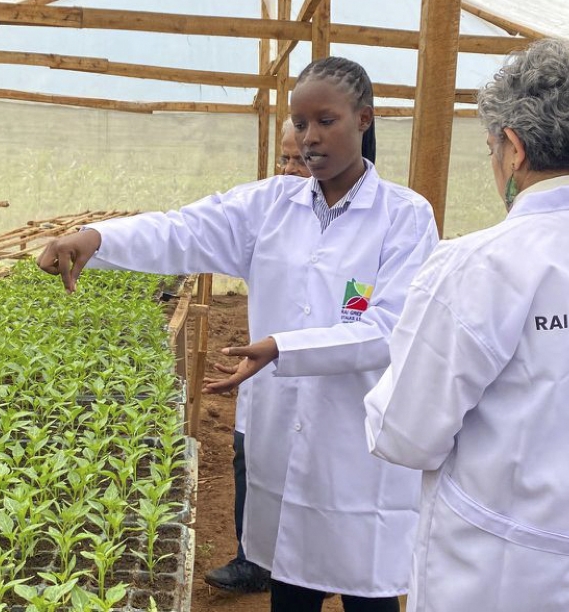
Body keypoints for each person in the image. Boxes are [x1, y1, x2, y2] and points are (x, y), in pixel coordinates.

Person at [38, 56, 438, 612]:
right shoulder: (268, 205)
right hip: (279, 434)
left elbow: (389, 329)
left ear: (364, 119)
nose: (309, 137)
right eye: (301, 123)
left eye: (326, 121)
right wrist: (96, 239)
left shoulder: (404, 216)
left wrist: (282, 348)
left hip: (355, 442)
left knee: (366, 591)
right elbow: (181, 229)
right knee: (290, 582)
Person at [362, 38, 569, 612]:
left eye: (492, 148)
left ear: (514, 148)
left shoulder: (477, 264)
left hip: (499, 575)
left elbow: (405, 434)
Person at [203, 116, 313, 595]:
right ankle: (252, 561)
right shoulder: (268, 214)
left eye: (300, 160)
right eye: (284, 158)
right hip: (263, 381)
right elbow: (191, 229)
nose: (289, 169)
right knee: (248, 460)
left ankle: (304, 567)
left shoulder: (382, 222)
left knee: (310, 482)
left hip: (320, 391)